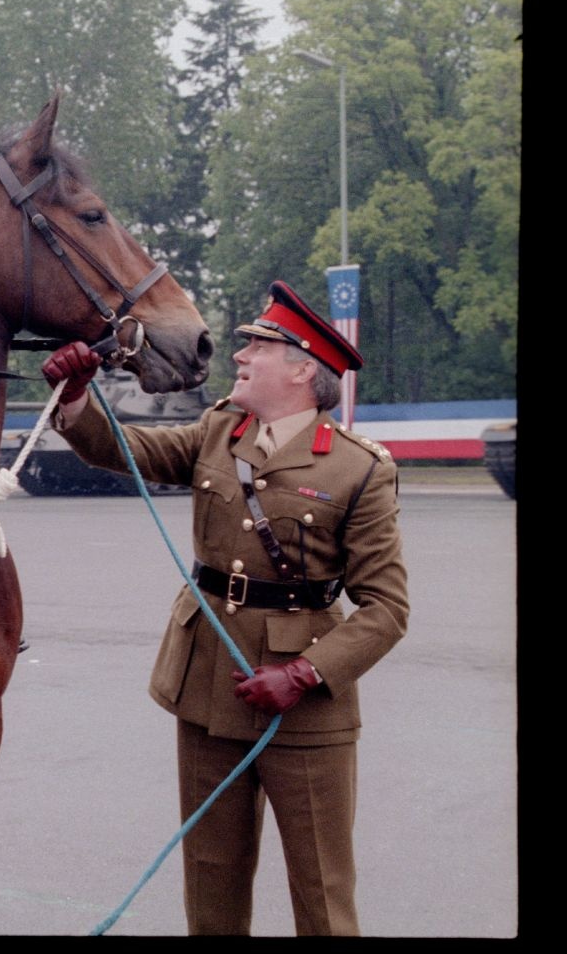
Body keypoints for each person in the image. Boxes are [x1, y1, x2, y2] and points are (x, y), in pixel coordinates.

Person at [42, 281, 409, 935]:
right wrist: (75, 397)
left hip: (305, 711)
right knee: (211, 887)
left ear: (301, 370)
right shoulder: (218, 429)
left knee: (323, 892)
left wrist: (303, 673)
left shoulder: (358, 469)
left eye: (258, 349)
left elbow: (386, 608)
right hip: (208, 690)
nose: (239, 358)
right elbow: (125, 452)